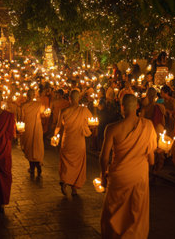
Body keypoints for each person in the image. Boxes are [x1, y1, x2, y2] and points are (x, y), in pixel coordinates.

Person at [99, 94, 157, 239]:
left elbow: (104, 156)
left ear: (122, 107)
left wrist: (103, 174)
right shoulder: (148, 126)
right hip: (139, 176)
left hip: (119, 176)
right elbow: (151, 160)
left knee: (112, 212)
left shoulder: (112, 128)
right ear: (137, 106)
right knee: (135, 212)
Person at [54, 90, 93, 196]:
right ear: (79, 98)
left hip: (67, 141)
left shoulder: (64, 111)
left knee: (66, 164)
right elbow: (92, 121)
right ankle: (74, 188)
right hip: (79, 142)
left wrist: (55, 137)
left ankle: (65, 181)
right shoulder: (84, 110)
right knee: (78, 165)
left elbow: (58, 126)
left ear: (69, 99)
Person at [20, 89, 45, 177]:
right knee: (37, 147)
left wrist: (19, 130)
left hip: (28, 128)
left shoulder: (23, 106)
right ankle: (38, 167)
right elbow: (43, 114)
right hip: (37, 128)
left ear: (27, 96)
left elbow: (21, 119)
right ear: (34, 95)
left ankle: (32, 167)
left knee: (29, 147)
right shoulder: (39, 104)